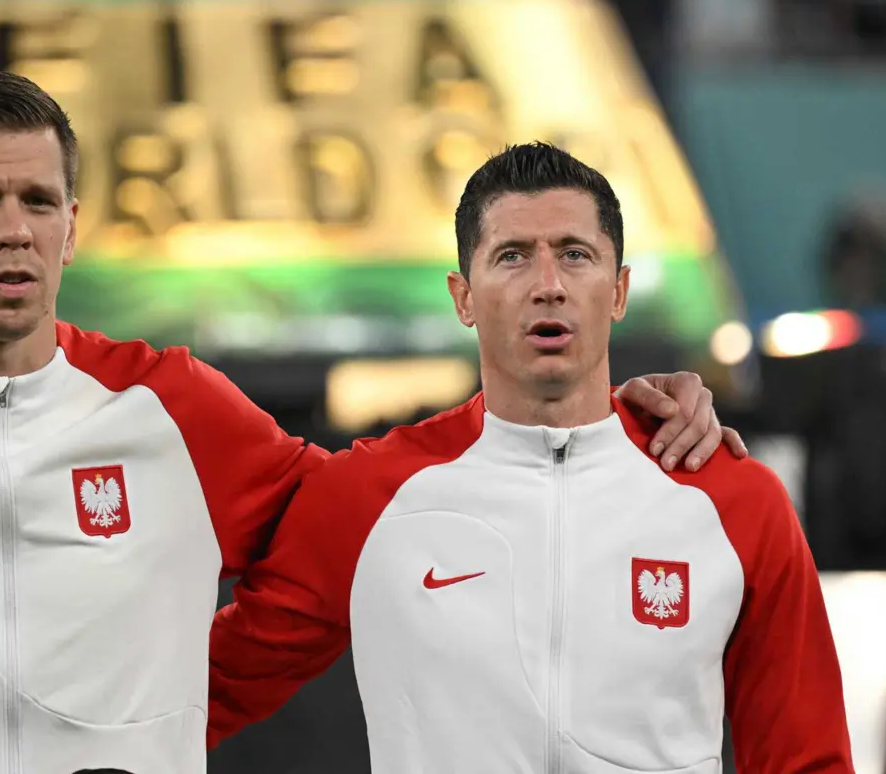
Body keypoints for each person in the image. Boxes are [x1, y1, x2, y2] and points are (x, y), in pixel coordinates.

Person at [0, 72, 739, 774]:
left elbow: (371, 515)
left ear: (71, 226)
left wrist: (609, 419)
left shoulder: (172, 408)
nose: (11, 229)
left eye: (37, 200)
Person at [206, 142, 853, 773]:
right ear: (463, 297)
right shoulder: (371, 496)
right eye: (513, 256)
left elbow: (806, 757)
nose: (548, 286)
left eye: (576, 255)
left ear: (620, 290)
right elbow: (198, 696)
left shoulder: (734, 501)